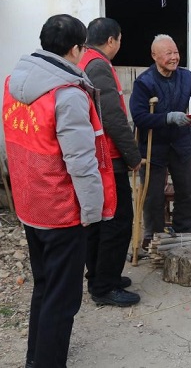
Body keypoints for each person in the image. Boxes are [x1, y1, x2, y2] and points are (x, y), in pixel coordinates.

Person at [2, 14, 115, 368]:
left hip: (30, 202)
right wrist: (92, 212)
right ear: (76, 49)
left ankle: (35, 359)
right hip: (61, 210)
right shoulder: (67, 95)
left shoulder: (13, 83)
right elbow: (81, 162)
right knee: (63, 298)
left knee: (44, 285)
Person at [80, 18, 143, 307]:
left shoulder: (86, 61)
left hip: (97, 156)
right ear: (111, 40)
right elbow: (113, 117)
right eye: (119, 39)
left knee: (102, 222)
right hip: (107, 158)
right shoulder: (99, 66)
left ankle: (102, 276)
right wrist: (133, 155)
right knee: (117, 222)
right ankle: (104, 287)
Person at [129, 35, 191, 244]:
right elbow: (139, 117)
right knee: (153, 195)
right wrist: (167, 118)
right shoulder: (144, 82)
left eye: (176, 52)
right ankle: (154, 238)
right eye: (169, 53)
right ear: (154, 55)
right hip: (153, 146)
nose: (174, 57)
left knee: (188, 190)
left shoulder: (186, 77)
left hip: (180, 143)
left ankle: (182, 233)